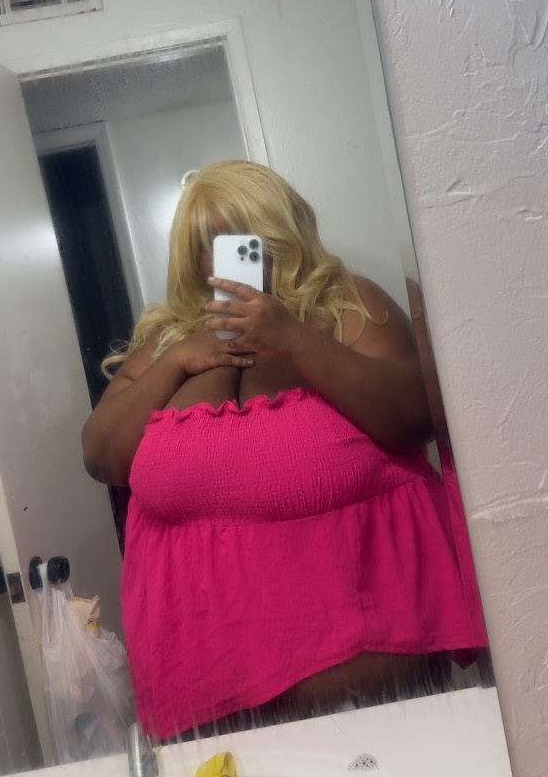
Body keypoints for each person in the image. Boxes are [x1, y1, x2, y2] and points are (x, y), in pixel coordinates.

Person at [82, 160, 487, 741]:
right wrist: (176, 361)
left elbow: (414, 416)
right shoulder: (168, 338)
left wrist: (291, 338)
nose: (225, 255)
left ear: (280, 230)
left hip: (372, 674)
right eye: (207, 243)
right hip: (207, 684)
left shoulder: (347, 305)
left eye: (243, 234)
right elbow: (102, 456)